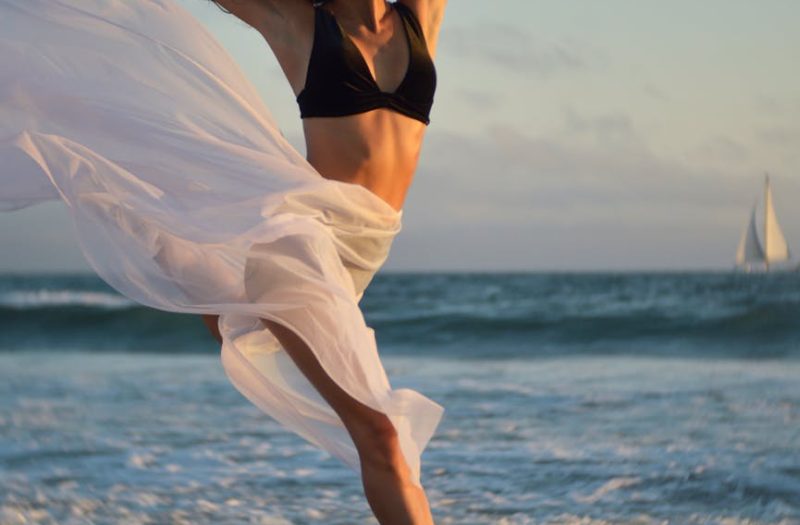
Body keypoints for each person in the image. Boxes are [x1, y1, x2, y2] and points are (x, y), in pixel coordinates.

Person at [0, 0, 447, 524]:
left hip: (359, 257)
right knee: (381, 436)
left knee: (386, 444)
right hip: (297, 247)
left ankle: (226, 303)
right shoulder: (299, 21)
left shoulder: (420, 16)